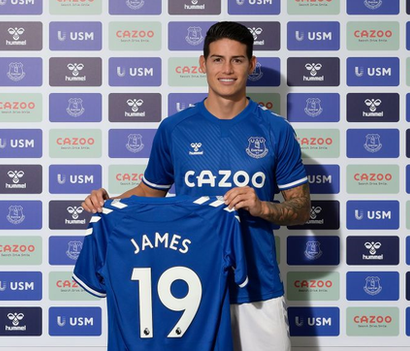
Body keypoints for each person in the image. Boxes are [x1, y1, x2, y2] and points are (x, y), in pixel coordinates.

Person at [82, 21, 310, 351]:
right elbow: (149, 192)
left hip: (258, 289)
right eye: (218, 59)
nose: (227, 69)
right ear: (202, 64)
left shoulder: (276, 130)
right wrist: (108, 204)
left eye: (237, 60)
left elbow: (301, 208)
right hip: (193, 288)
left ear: (252, 65)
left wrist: (262, 207)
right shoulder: (175, 129)